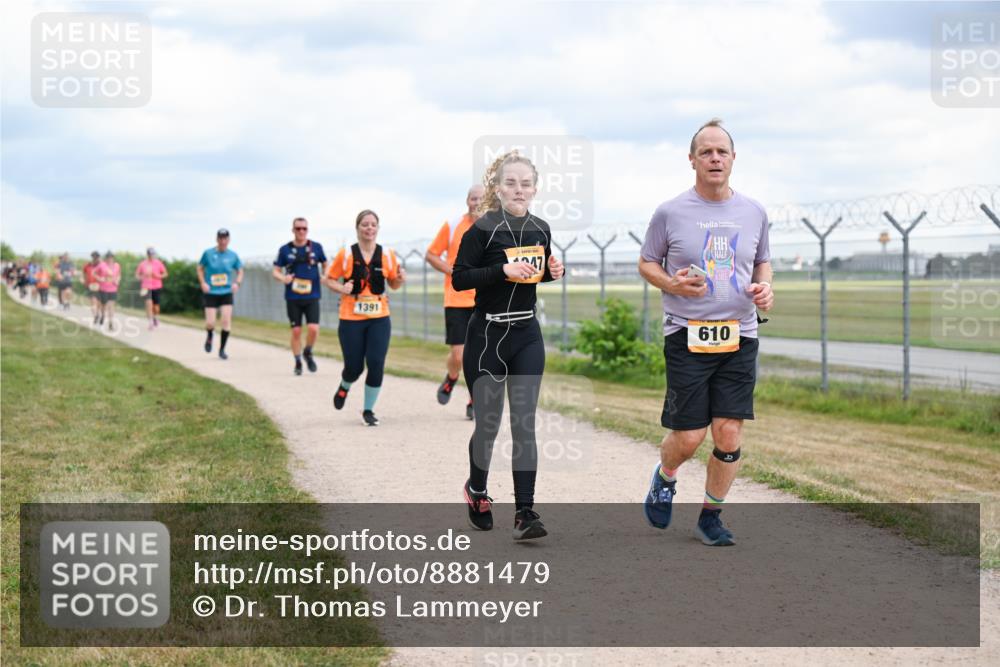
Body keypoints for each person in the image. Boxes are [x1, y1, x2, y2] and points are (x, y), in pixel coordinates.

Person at [639, 118, 774, 546]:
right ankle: (665, 476)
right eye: (706, 152)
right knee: (689, 437)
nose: (715, 158)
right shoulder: (671, 212)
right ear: (692, 159)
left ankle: (710, 516)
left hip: (741, 333)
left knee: (729, 432)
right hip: (686, 334)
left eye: (722, 151)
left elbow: (762, 262)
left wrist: (765, 288)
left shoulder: (754, 211)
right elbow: (646, 262)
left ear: (733, 159)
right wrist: (671, 284)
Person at [452, 151, 565, 541]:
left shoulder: (541, 229)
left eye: (526, 183)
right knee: (488, 424)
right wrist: (500, 269)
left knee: (524, 424)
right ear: (497, 188)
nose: (519, 189)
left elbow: (533, 276)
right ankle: (477, 491)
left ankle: (524, 513)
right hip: (486, 336)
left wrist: (551, 273)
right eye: (511, 183)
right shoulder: (480, 230)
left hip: (526, 335)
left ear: (535, 188)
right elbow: (460, 279)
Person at [326, 210, 405, 426]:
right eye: (364, 224)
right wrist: (342, 287)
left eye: (373, 224)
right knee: (354, 367)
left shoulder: (388, 255)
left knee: (376, 363)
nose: (369, 228)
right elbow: (329, 279)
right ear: (357, 228)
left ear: (378, 228)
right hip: (351, 317)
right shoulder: (346, 255)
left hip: (379, 317)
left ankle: (368, 410)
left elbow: (394, 285)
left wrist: (400, 279)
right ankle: (344, 386)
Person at [425, 185, 484, 420]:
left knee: (480, 355)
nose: (477, 202)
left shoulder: (495, 227)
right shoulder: (453, 225)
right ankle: (451, 378)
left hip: (484, 300)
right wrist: (452, 270)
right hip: (456, 299)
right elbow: (431, 254)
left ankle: (474, 400)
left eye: (481, 198)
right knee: (459, 356)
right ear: (467, 201)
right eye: (473, 198)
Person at [272, 217, 328, 375]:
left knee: (313, 329)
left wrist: (325, 274)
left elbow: (325, 263)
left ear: (307, 230)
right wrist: (284, 278)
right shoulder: (285, 250)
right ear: (293, 230)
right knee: (296, 331)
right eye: (298, 228)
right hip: (293, 297)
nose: (301, 231)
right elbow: (275, 271)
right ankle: (297, 362)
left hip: (312, 295)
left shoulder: (316, 247)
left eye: (304, 228)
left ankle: (308, 351)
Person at [197, 229, 244, 360]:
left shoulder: (233, 255)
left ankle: (222, 349)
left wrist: (237, 283)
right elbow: (199, 268)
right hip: (211, 292)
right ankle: (210, 335)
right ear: (217, 239)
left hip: (226, 292)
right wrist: (203, 283)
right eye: (220, 238)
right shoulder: (208, 253)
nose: (223, 241)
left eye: (225, 238)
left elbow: (240, 270)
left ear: (229, 240)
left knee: (225, 321)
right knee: (211, 322)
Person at [136, 248, 169, 329]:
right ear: (147, 255)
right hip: (146, 287)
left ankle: (155, 317)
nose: (151, 256)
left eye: (153, 254)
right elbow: (137, 275)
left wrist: (157, 276)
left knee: (156, 307)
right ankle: (150, 322)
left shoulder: (158, 263)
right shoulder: (142, 264)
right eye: (150, 254)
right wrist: (142, 276)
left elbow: (165, 274)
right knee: (148, 304)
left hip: (157, 286)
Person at [94, 251, 121, 330]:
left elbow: (119, 274)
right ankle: (102, 316)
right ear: (106, 258)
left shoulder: (117, 265)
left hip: (113, 288)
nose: (110, 259)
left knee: (111, 306)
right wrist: (100, 278)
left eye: (111, 257)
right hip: (103, 288)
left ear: (113, 258)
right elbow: (94, 273)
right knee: (104, 306)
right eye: (108, 257)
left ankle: (110, 322)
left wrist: (117, 280)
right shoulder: (102, 265)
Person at [82, 251, 102, 323]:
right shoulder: (87, 265)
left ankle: (98, 313)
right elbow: (84, 273)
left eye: (96, 257)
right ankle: (95, 315)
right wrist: (84, 280)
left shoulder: (101, 265)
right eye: (94, 257)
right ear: (92, 257)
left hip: (100, 286)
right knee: (93, 301)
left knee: (99, 302)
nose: (95, 258)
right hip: (91, 286)